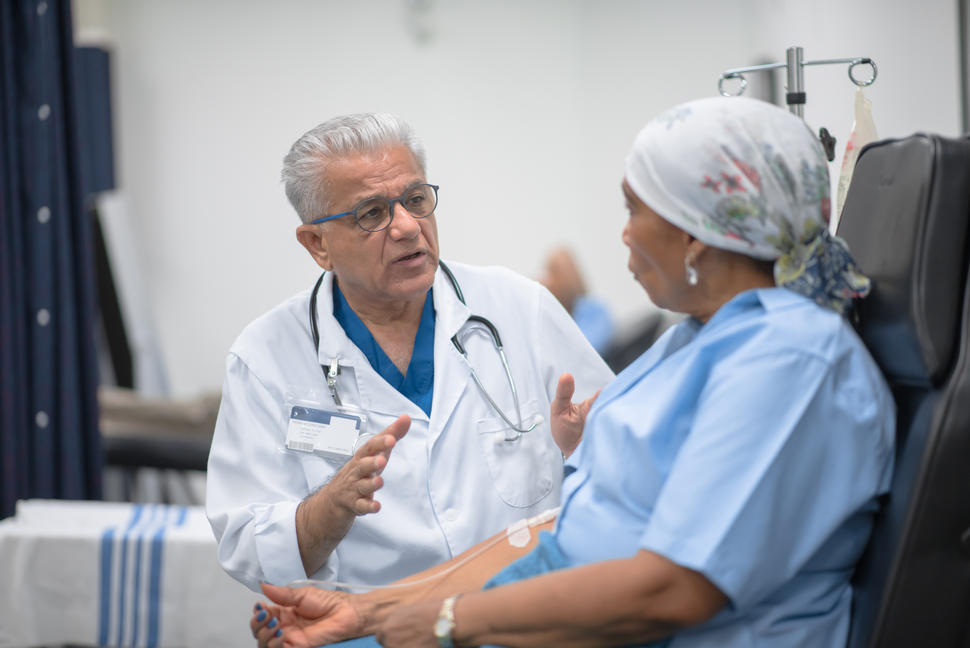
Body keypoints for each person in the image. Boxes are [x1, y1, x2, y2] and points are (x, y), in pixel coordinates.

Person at [248, 96, 895, 648]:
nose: (624, 236)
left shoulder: (788, 359)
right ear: (316, 243)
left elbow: (673, 589)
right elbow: (562, 530)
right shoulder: (700, 339)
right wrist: (372, 610)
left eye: (633, 209)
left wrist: (445, 621)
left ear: (696, 235)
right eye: (371, 213)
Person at [205, 113, 614, 592]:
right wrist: (328, 509)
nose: (406, 226)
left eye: (416, 200)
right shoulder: (265, 357)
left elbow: (621, 457)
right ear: (318, 244)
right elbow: (245, 547)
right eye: (372, 214)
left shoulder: (521, 309)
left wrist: (582, 451)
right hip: (369, 631)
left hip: (522, 614)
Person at [539, 246, 615, 354]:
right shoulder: (551, 319)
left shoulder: (595, 309)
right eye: (553, 272)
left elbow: (584, 352)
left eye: (559, 271)